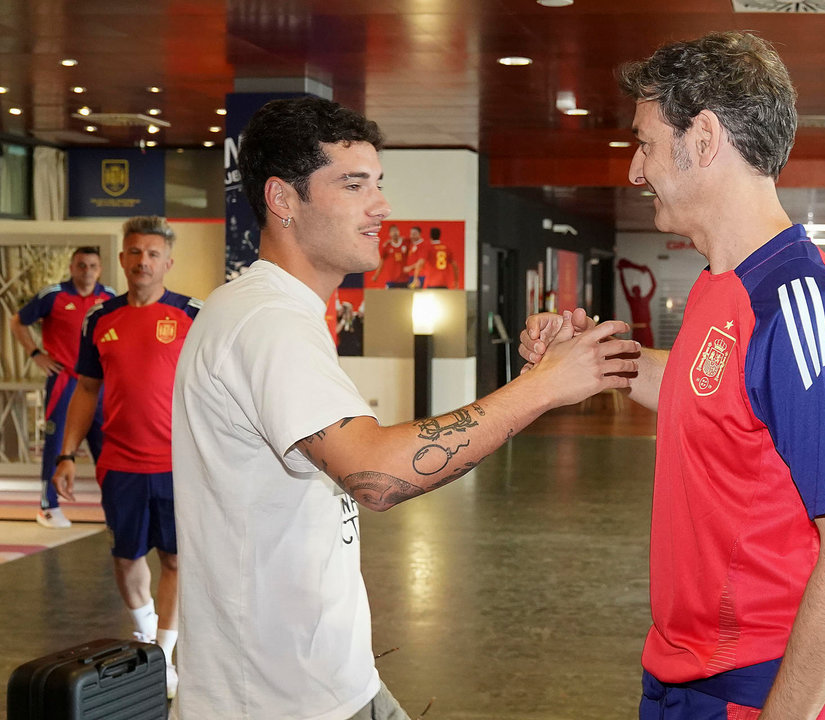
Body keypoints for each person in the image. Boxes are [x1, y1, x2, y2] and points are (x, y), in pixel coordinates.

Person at [171, 95, 637, 720]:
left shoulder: (278, 314)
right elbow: (374, 473)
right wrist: (544, 387)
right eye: (354, 184)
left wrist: (544, 374)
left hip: (329, 683)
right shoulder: (265, 322)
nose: (381, 206)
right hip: (278, 704)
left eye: (379, 184)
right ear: (283, 200)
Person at [520, 31, 825, 719]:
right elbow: (703, 392)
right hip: (681, 676)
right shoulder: (719, 285)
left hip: (761, 692)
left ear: (703, 138)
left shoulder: (802, 310)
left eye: (644, 142)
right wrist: (592, 352)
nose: (635, 171)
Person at [52, 216, 200, 699]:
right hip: (120, 464)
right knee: (126, 557)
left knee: (176, 559)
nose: (143, 261)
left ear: (168, 262)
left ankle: (165, 654)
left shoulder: (191, 315)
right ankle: (144, 634)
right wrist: (67, 453)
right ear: (122, 259)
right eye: (135, 252)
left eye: (153, 254)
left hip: (180, 465)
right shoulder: (101, 319)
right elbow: (86, 389)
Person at [10, 247, 114, 528]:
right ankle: (48, 506)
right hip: (64, 381)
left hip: (99, 383)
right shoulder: (53, 295)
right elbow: (17, 322)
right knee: (57, 445)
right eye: (81, 265)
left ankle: (116, 507)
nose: (87, 271)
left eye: (92, 265)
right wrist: (36, 354)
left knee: (105, 445)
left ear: (100, 269)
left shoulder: (109, 298)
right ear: (72, 267)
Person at [617, 258, 657, 347]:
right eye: (635, 290)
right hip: (637, 328)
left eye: (637, 290)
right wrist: (621, 272)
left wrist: (650, 272)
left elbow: (654, 286)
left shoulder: (644, 300)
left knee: (650, 348)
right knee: (635, 349)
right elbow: (624, 286)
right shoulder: (632, 300)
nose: (637, 292)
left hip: (646, 328)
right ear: (634, 292)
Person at [370, 223, 409, 287]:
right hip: (391, 279)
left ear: (399, 232)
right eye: (392, 231)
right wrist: (376, 275)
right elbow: (381, 262)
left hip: (404, 279)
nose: (394, 233)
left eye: (396, 230)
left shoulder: (406, 242)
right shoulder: (386, 246)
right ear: (389, 234)